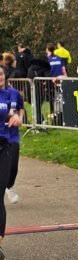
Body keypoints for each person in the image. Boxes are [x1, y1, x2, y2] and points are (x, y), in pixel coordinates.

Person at [0, 65, 22, 260]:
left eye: (0, 73)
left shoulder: (10, 95)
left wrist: (17, 119)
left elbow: (15, 115)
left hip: (5, 145)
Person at [2, 70, 24, 204]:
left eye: (1, 74)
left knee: (13, 166)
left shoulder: (14, 93)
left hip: (12, 135)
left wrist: (19, 118)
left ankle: (9, 186)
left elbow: (20, 107)